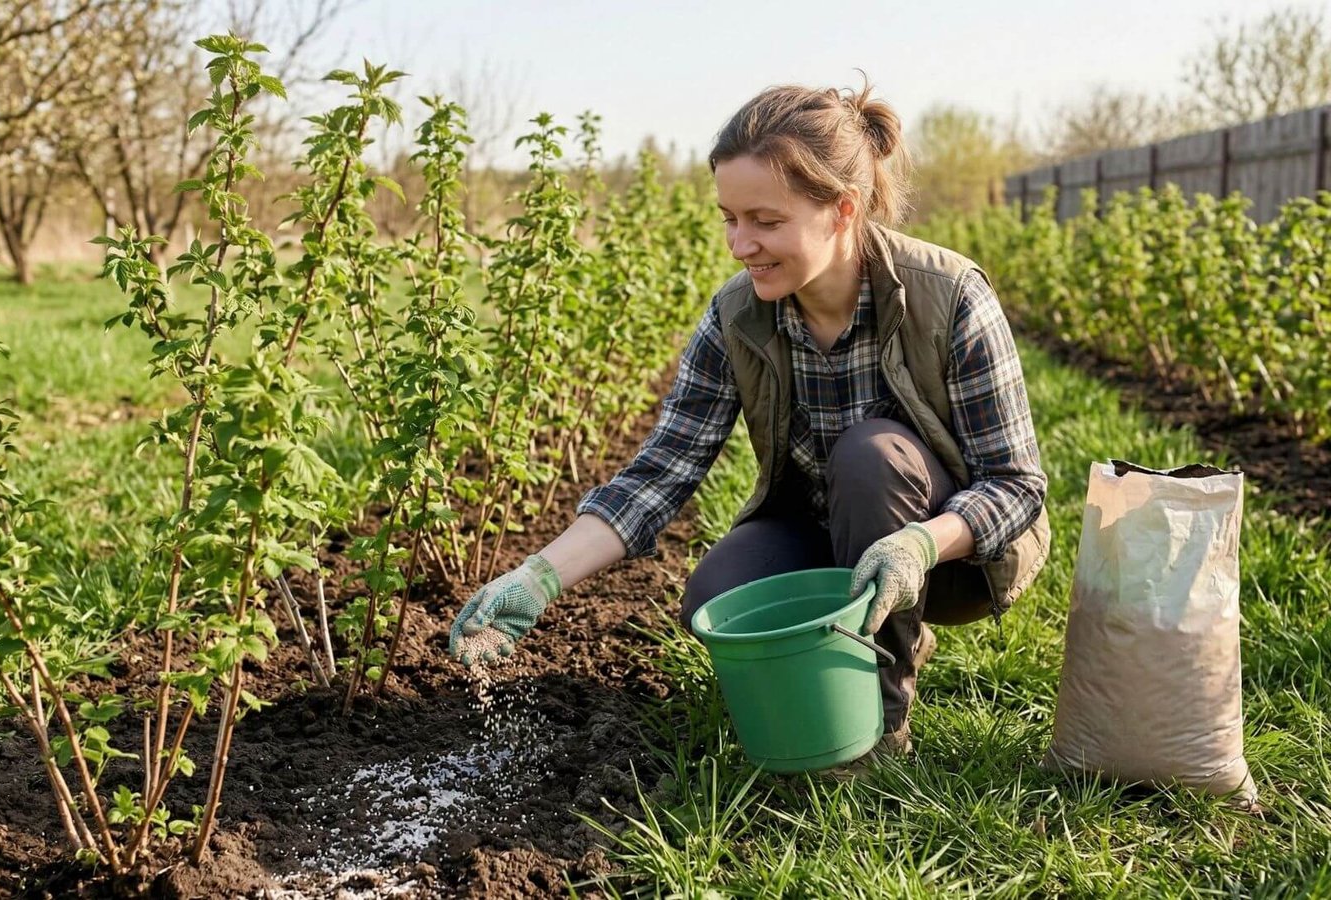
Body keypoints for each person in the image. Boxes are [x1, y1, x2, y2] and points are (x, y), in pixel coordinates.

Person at [447, 82, 1051, 757]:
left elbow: (1017, 485)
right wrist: (539, 576)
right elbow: (660, 475)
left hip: (949, 555)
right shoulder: (738, 316)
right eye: (729, 218)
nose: (741, 244)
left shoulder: (949, 295)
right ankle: (848, 642)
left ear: (842, 211)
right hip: (825, 533)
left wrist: (918, 547)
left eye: (765, 221)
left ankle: (877, 726)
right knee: (715, 595)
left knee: (871, 454)